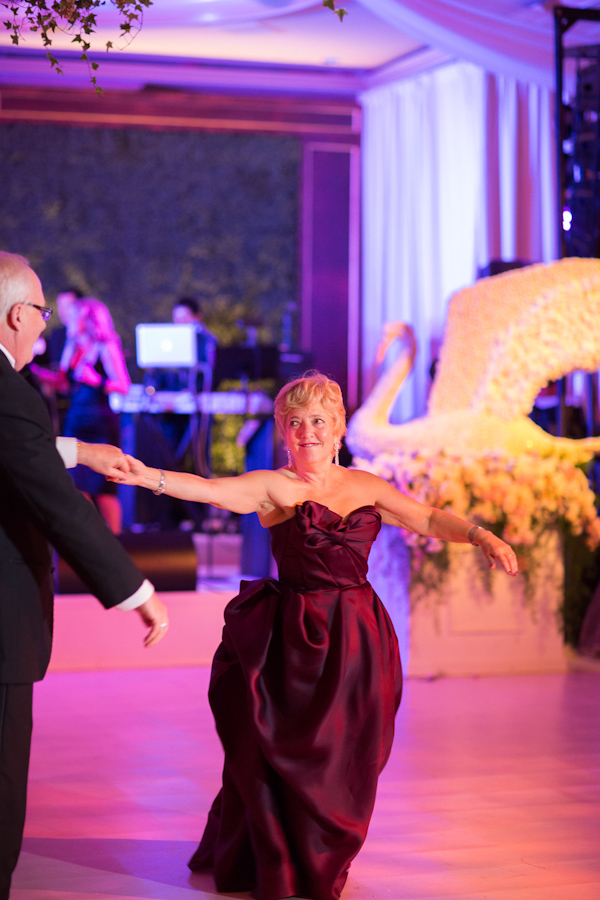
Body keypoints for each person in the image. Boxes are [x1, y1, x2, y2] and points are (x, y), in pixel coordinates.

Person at [114, 371, 518, 900]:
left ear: (339, 430)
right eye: (296, 422)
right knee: (294, 751)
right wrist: (151, 478)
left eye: (319, 421)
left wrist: (479, 535)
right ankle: (287, 857)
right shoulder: (275, 486)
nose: (308, 432)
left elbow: (425, 518)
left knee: (353, 751)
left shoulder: (367, 486)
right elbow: (211, 491)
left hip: (359, 635)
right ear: (285, 431)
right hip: (298, 638)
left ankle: (328, 850)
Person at [0, 251, 169, 900]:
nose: (46, 327)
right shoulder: (12, 393)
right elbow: (56, 504)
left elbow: (13, 449)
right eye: (41, 313)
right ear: (18, 315)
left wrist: (76, 449)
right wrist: (137, 590)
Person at [35, 296, 131, 534]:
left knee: (105, 488)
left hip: (100, 421)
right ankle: (89, 539)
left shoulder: (105, 346)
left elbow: (123, 385)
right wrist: (34, 370)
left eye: (74, 315)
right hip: (76, 419)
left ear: (88, 319)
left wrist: (97, 381)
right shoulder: (73, 346)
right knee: (76, 487)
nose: (68, 320)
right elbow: (64, 383)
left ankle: (117, 543)